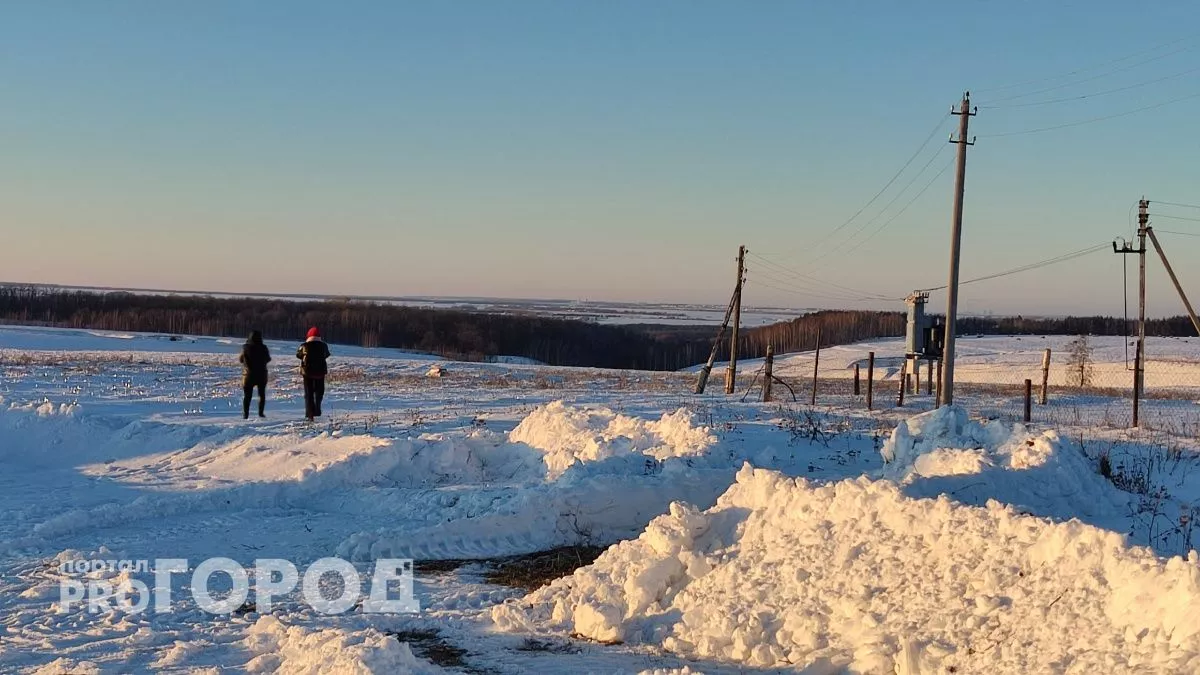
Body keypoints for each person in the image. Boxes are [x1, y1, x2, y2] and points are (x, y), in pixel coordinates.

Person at [297, 327, 330, 420]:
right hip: (320, 372)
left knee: (309, 393)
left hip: (307, 372)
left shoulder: (304, 346)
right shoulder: (324, 346)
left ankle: (310, 414)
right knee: (319, 391)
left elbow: (298, 355)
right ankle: (317, 408)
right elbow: (327, 355)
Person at [239, 330, 271, 419]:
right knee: (261, 395)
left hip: (248, 375)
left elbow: (241, 360)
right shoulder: (264, 348)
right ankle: (261, 413)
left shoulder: (245, 347)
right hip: (261, 374)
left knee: (247, 396)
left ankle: (246, 414)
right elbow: (268, 359)